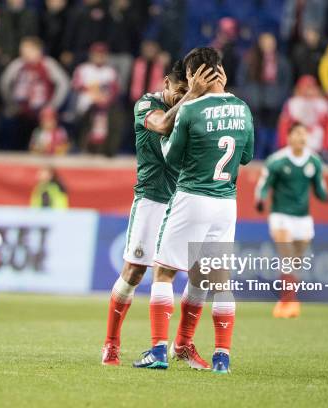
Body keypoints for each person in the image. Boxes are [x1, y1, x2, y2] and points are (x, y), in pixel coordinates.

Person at [133, 47, 254, 374]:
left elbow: (171, 156)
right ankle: (222, 358)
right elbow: (245, 157)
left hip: (192, 197)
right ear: (221, 72)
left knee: (165, 272)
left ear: (192, 76)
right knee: (219, 279)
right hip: (227, 203)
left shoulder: (190, 109)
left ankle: (158, 350)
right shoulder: (242, 109)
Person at [101, 60, 224, 368]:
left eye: (189, 90)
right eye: (179, 91)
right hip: (152, 200)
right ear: (166, 85)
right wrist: (191, 96)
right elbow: (162, 125)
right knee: (134, 273)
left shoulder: (193, 108)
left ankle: (182, 344)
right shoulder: (147, 103)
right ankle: (111, 345)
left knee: (200, 275)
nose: (185, 96)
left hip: (184, 200)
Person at [254, 123, 328, 318]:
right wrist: (260, 200)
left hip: (303, 218)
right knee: (287, 256)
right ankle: (287, 303)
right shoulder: (277, 161)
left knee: (296, 261)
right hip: (281, 215)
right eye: (297, 133)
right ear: (289, 137)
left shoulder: (314, 162)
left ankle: (289, 300)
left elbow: (320, 190)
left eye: (304, 134)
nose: (301, 137)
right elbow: (263, 185)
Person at [0, 36, 69, 150]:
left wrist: (52, 106)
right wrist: (12, 104)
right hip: (21, 111)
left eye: (26, 50)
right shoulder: (18, 64)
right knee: (11, 131)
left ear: (37, 50)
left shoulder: (48, 64)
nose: (23, 53)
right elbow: (4, 83)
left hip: (41, 113)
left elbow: (63, 84)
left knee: (41, 143)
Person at [277, 75, 328, 159]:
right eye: (305, 87)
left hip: (316, 147)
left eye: (311, 87)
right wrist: (283, 146)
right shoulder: (292, 104)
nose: (308, 90)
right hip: (294, 147)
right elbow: (283, 126)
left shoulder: (324, 104)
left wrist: (326, 148)